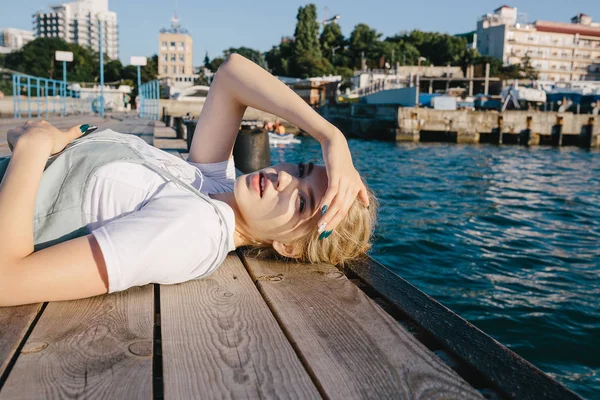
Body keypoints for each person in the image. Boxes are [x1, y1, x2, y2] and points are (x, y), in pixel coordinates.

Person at [0, 54, 375, 307]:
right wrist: (330, 137)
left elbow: (8, 280)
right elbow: (231, 74)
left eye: (303, 202)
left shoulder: (195, 231)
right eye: (301, 170)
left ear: (289, 247)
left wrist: (32, 149)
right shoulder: (211, 185)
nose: (285, 179)